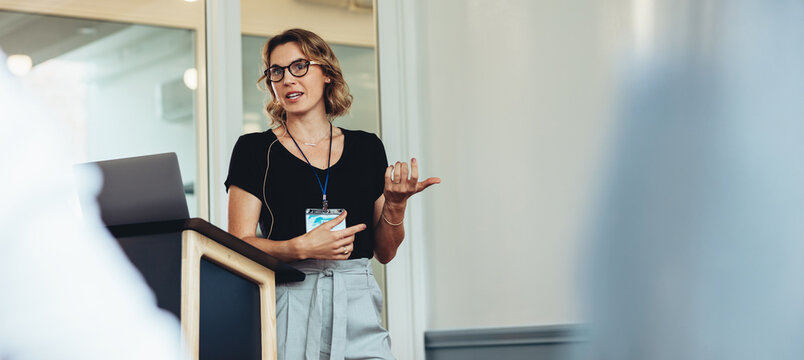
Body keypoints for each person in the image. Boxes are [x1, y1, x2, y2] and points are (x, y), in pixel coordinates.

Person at [225, 28, 439, 360]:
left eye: (299, 66)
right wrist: (296, 248)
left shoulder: (367, 147)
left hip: (358, 297)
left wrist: (396, 206)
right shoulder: (254, 150)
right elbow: (237, 245)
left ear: (326, 73)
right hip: (291, 298)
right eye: (276, 72)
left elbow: (385, 252)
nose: (287, 80)